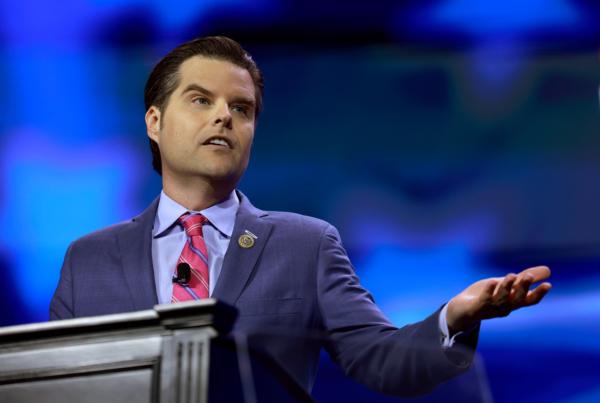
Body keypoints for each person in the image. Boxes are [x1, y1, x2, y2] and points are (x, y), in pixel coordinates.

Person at [50, 36, 552, 397]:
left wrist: (453, 318)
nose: (224, 116)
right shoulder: (87, 260)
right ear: (154, 122)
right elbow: (47, 385)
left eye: (241, 109)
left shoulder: (305, 245)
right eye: (201, 100)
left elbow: (382, 361)